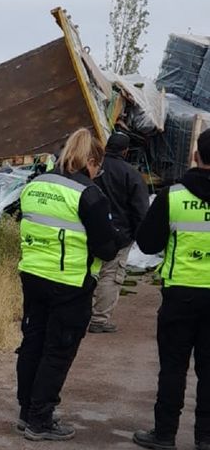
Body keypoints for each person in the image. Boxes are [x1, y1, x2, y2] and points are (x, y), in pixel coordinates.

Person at [16, 127, 119, 441]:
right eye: (96, 167)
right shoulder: (89, 194)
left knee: (32, 343)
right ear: (90, 160)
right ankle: (41, 419)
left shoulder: (34, 185)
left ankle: (25, 411)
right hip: (70, 282)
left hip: (32, 275)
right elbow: (106, 248)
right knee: (58, 350)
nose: (97, 173)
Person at [132, 127, 210, 450]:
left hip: (181, 294)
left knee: (174, 367)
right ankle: (206, 441)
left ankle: (164, 434)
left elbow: (148, 243)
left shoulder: (173, 196)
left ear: (196, 156)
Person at [88, 130, 150, 333]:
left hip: (88, 231)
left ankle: (81, 313)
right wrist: (141, 236)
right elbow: (140, 209)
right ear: (126, 151)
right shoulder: (131, 174)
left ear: (106, 147)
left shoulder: (92, 168)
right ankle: (98, 319)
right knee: (110, 275)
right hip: (120, 235)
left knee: (86, 271)